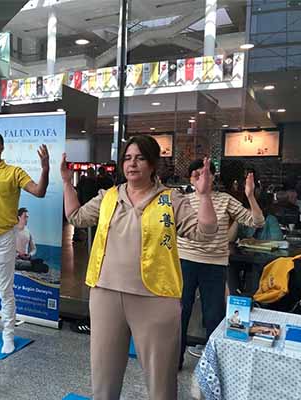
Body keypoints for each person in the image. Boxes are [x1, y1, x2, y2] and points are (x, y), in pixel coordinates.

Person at [61, 135, 217, 400]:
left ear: (153, 164)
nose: (132, 164)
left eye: (140, 158)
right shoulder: (108, 196)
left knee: (160, 378)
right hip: (105, 293)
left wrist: (204, 196)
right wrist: (67, 182)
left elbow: (205, 232)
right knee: (104, 375)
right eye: (127, 158)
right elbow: (76, 216)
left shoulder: (170, 199)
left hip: (155, 298)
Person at [178, 160, 264, 366]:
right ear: (190, 179)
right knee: (179, 313)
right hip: (184, 261)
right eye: (196, 174)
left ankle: (212, 365)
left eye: (206, 173)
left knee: (213, 316)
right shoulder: (183, 200)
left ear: (213, 178)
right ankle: (174, 360)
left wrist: (250, 196)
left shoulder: (225, 200)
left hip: (214, 264)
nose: (201, 178)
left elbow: (257, 221)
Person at [0, 132, 49, 354]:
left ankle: (8, 336)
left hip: (4, 239)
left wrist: (45, 169)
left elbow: (39, 192)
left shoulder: (14, 172)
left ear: (1, 148)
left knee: (5, 291)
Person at [14, 207, 48, 273]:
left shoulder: (28, 232)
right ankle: (32, 265)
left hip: (26, 259)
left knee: (45, 267)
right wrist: (17, 254)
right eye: (25, 217)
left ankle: (31, 264)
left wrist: (29, 255)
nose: (27, 219)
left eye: (27, 217)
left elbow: (34, 249)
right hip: (15, 259)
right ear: (19, 217)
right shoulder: (12, 230)